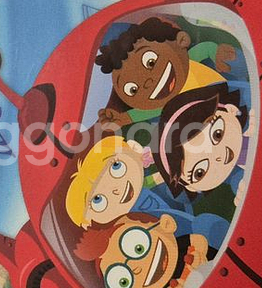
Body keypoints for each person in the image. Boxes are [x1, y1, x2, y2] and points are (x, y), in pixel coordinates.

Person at [64, 135, 229, 249]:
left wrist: (177, 175)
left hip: (181, 216)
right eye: (98, 200)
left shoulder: (143, 186)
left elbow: (156, 180)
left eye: (116, 166)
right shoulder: (122, 228)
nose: (115, 190)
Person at [94, 17, 236, 127]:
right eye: (133, 89)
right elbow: (148, 111)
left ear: (182, 40)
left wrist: (216, 53)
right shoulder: (161, 103)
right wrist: (123, 118)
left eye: (151, 62)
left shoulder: (190, 63)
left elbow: (205, 49)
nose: (147, 82)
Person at [155, 83, 250, 211]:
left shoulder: (252, 113)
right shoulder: (237, 186)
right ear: (191, 187)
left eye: (217, 134)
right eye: (199, 173)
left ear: (230, 109)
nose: (217, 156)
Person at [74, 212, 206, 288]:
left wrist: (198, 256)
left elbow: (199, 241)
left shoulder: (183, 244)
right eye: (123, 281)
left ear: (166, 224)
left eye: (138, 248)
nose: (136, 268)